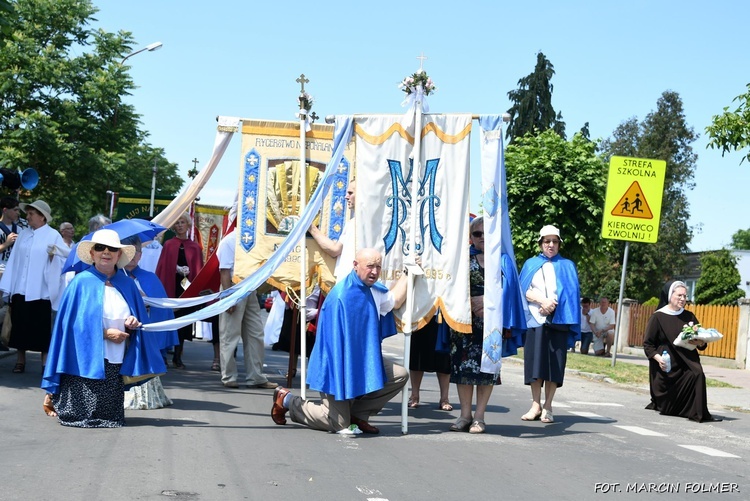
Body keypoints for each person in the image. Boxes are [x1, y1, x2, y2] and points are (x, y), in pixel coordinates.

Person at [271, 248, 409, 434]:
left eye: (378, 266)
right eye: (370, 266)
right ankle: (288, 400)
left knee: (399, 374)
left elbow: (395, 301)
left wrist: (408, 272)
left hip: (362, 359)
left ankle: (358, 415)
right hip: (337, 364)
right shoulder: (341, 296)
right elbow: (334, 347)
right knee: (339, 425)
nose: (375, 272)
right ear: (355, 266)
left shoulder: (375, 290)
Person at [42, 229, 166, 427]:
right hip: (83, 359)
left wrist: (132, 322)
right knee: (79, 416)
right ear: (92, 254)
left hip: (116, 357)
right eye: (100, 248)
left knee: (110, 416)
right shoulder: (80, 283)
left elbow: (136, 315)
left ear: (119, 255)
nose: (106, 252)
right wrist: (105, 333)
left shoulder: (128, 284)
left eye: (112, 249)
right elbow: (70, 327)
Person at [519, 224, 580, 424]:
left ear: (559, 244)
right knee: (535, 364)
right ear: (540, 243)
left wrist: (552, 305)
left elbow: (571, 295)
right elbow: (521, 290)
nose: (551, 245)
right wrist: (540, 301)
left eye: (554, 241)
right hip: (534, 320)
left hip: (559, 320)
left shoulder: (568, 265)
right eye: (547, 241)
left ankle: (548, 405)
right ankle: (535, 404)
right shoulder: (530, 264)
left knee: (554, 364)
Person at [0, 200, 65, 374]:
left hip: (41, 290)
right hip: (21, 287)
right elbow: (14, 259)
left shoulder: (53, 235)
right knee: (19, 326)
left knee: (41, 328)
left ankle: (45, 363)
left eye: (31, 214)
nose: (27, 217)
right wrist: (8, 286)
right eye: (27, 213)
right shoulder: (23, 234)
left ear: (42, 217)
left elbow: (64, 258)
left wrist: (53, 258)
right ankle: (20, 360)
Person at [643, 281, 719, 423]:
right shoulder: (658, 317)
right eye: (679, 295)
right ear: (670, 295)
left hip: (687, 359)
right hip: (667, 363)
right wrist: (659, 359)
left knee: (697, 374)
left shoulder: (689, 316)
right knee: (668, 408)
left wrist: (701, 342)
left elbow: (700, 340)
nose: (683, 299)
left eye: (685, 296)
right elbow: (648, 344)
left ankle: (698, 412)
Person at [121, 235, 177, 409]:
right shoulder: (113, 277)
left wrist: (146, 301)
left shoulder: (150, 278)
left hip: (143, 330)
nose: (131, 256)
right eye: (127, 252)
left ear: (140, 255)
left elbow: (162, 308)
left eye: (135, 252)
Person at [217, 229, 277, 389]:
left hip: (250, 287)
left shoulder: (256, 238)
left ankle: (256, 376)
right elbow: (224, 271)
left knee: (255, 332)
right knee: (230, 334)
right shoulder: (229, 240)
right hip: (234, 286)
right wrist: (229, 298)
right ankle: (229, 376)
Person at [155, 212, 203, 369]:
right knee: (168, 321)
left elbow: (198, 270)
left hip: (185, 288)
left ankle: (178, 355)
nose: (180, 225)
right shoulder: (169, 244)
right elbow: (163, 267)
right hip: (170, 286)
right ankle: (163, 355)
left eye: (183, 222)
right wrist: (175, 268)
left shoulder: (195, 247)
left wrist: (190, 273)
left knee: (182, 322)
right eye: (177, 223)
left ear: (188, 225)